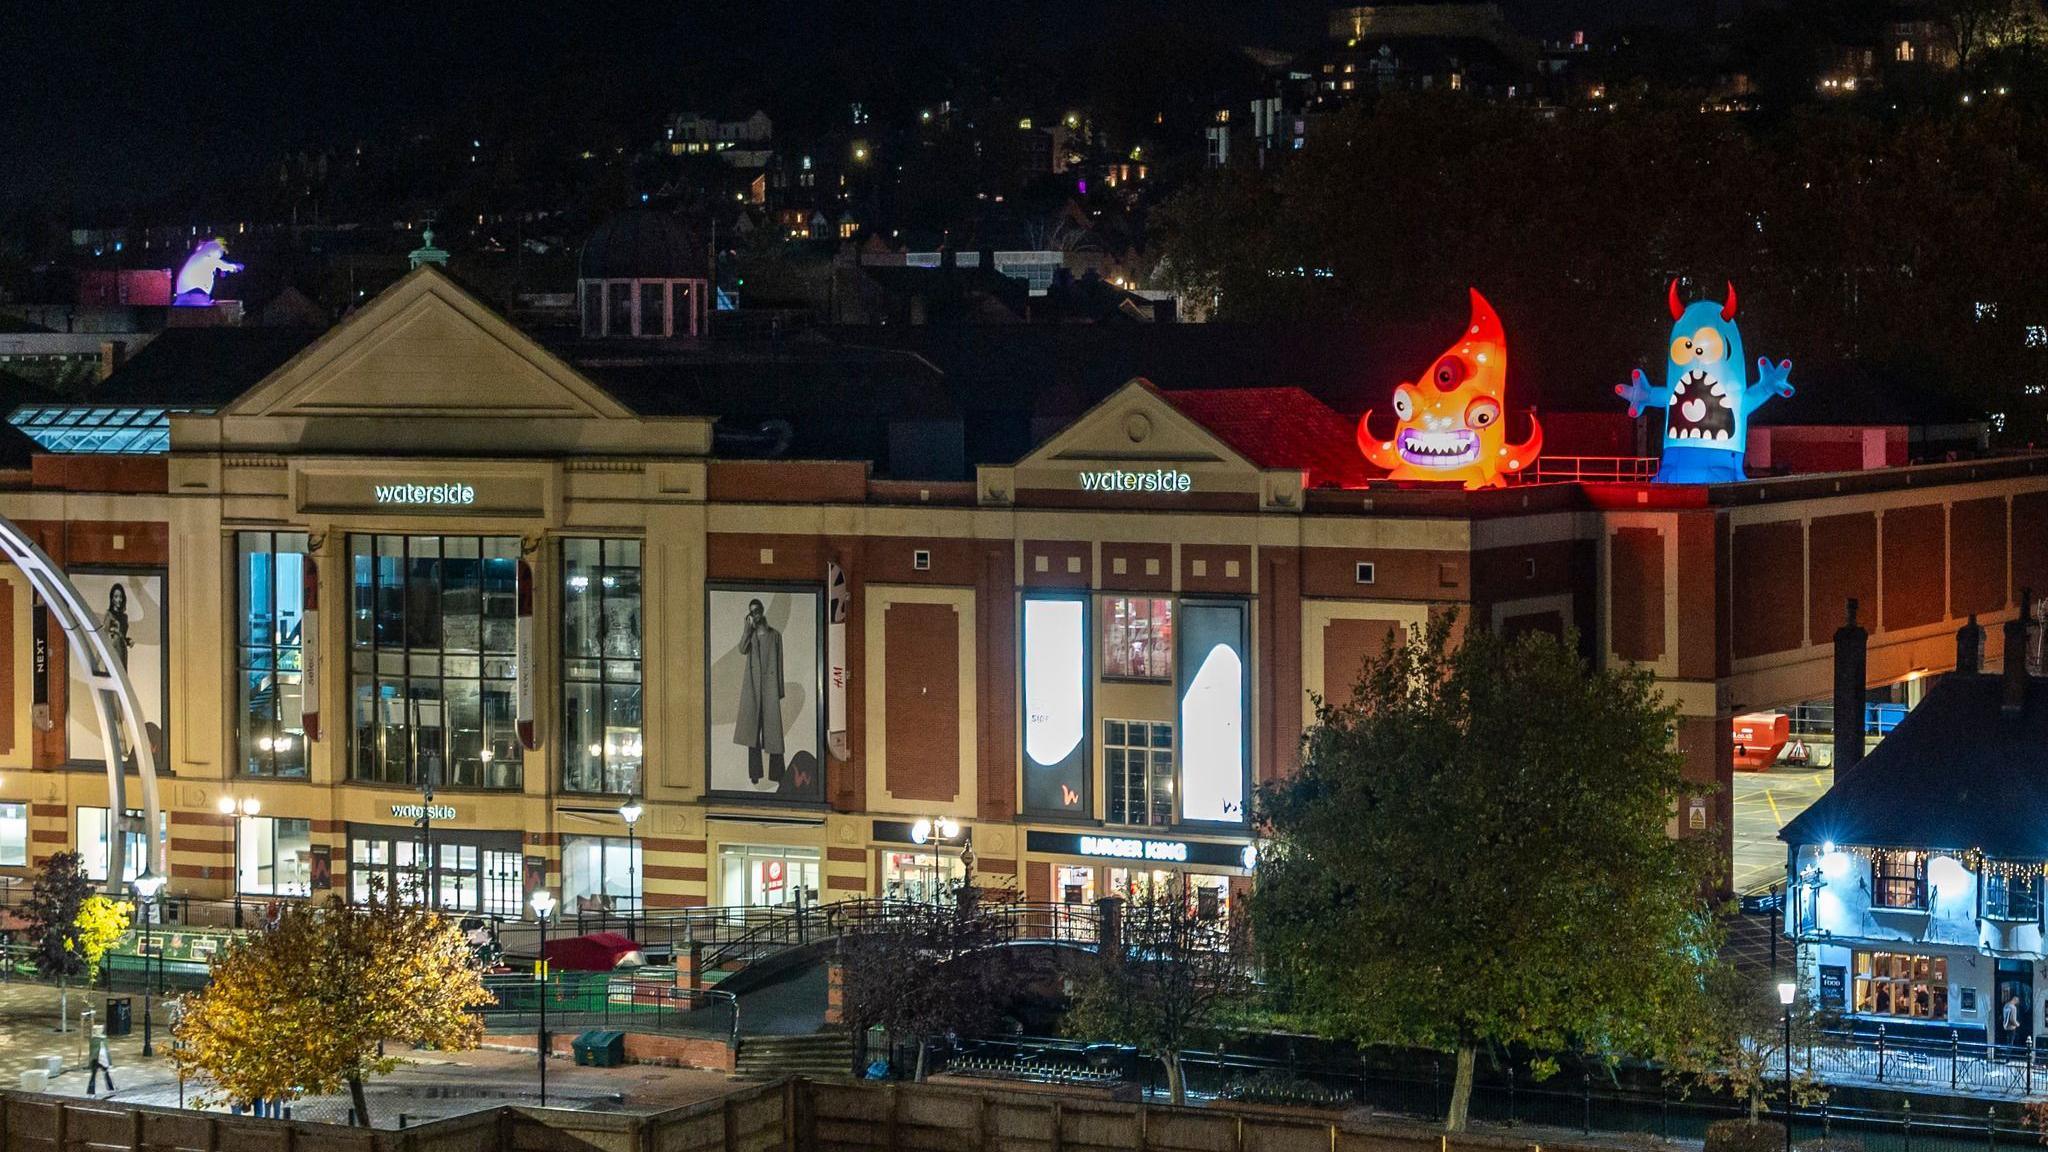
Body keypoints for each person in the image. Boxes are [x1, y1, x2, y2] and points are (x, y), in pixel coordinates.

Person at [87, 1025, 115, 1095]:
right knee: (94, 1076)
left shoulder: (103, 1039)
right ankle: (91, 1091)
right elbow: (93, 1051)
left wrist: (109, 1062)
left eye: (100, 1029)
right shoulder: (94, 1039)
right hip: (96, 1059)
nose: (99, 1031)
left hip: (103, 1059)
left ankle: (110, 1088)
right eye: (97, 1030)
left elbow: (106, 1051)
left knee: (105, 1074)